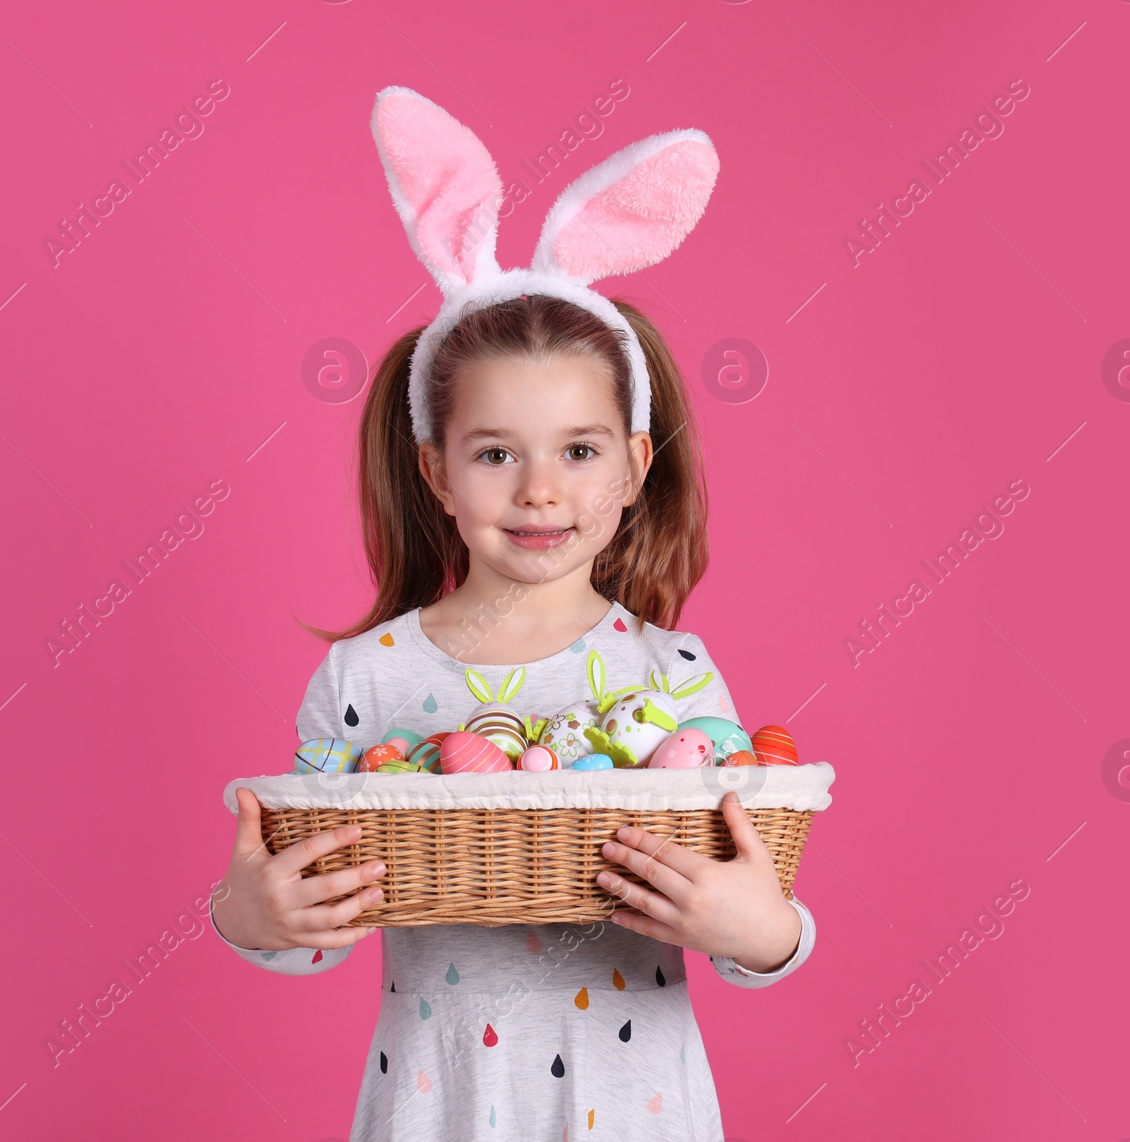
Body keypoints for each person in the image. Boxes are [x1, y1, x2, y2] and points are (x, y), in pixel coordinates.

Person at [210, 87, 818, 1141]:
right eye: (496, 452)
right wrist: (248, 914)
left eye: (578, 450)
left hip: (639, 1110)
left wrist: (761, 929)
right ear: (437, 472)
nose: (540, 491)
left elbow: (749, 924)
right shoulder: (370, 681)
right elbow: (311, 915)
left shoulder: (670, 674)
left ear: (632, 468)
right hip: (438, 1102)